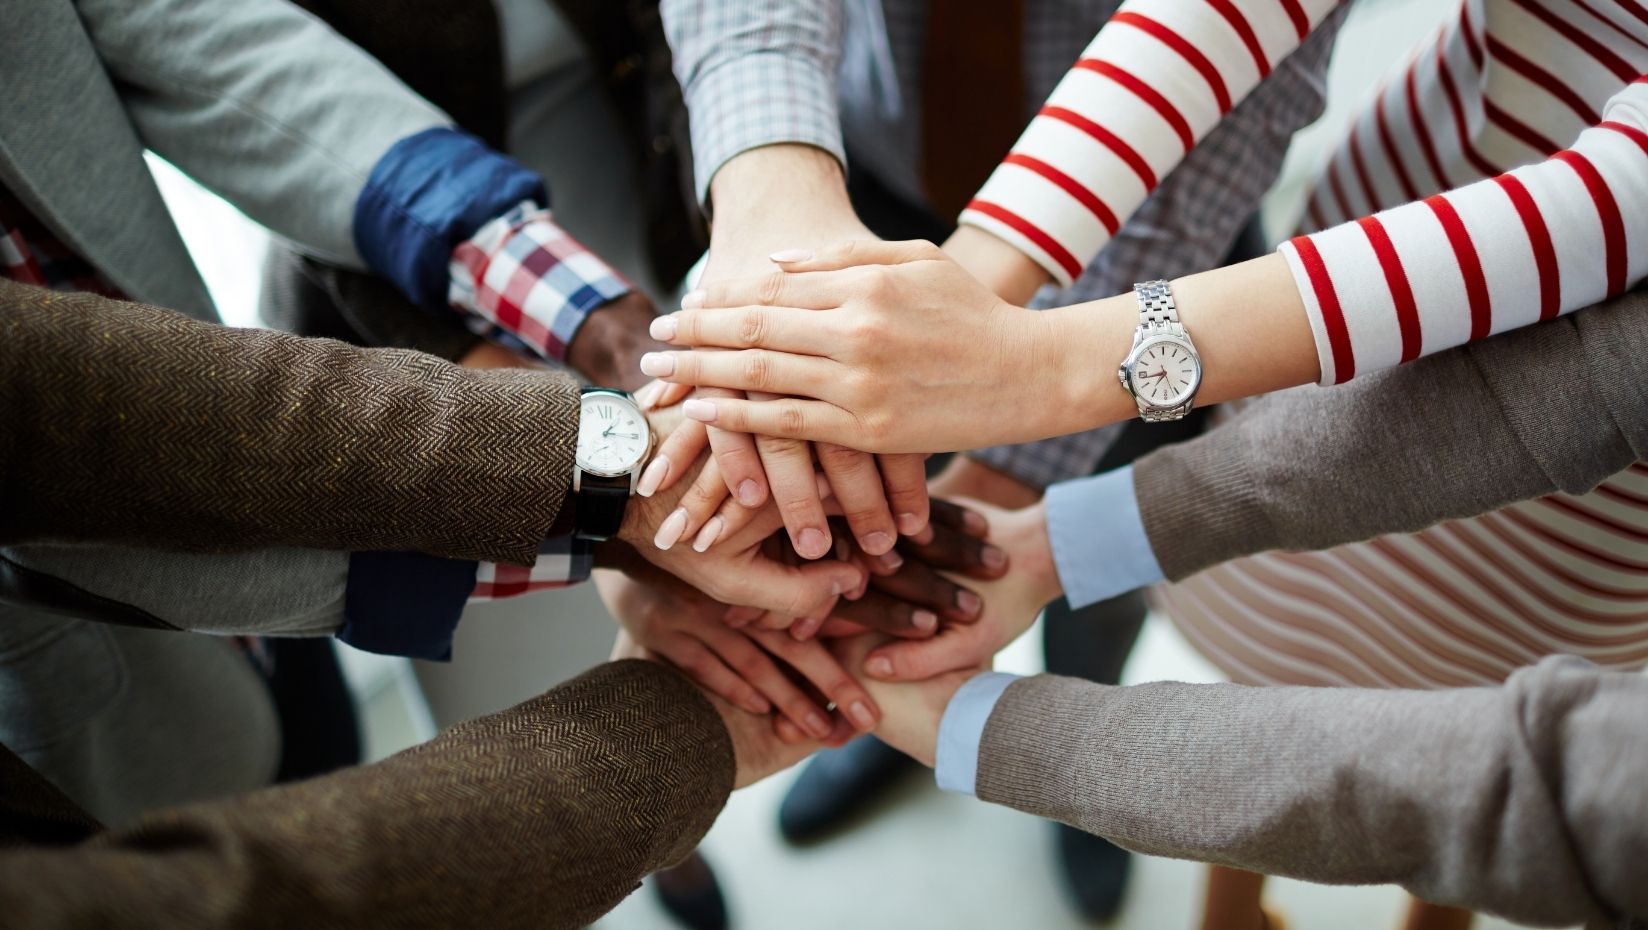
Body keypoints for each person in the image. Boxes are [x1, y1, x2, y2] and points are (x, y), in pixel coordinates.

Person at [647, 3, 1648, 926]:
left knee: (1446, 699)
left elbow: (1532, 790)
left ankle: (1102, 810)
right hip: (1365, 288)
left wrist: (1036, 370)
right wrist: (938, 281)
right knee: (1259, 642)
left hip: (1392, 371)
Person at [652, 1, 1350, 913]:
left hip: (1165, 242)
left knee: (1096, 567)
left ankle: (1081, 765)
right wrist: (776, 198)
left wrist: (1025, 452)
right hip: (870, 166)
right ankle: (892, 709)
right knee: (861, 547)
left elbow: (1247, 74)